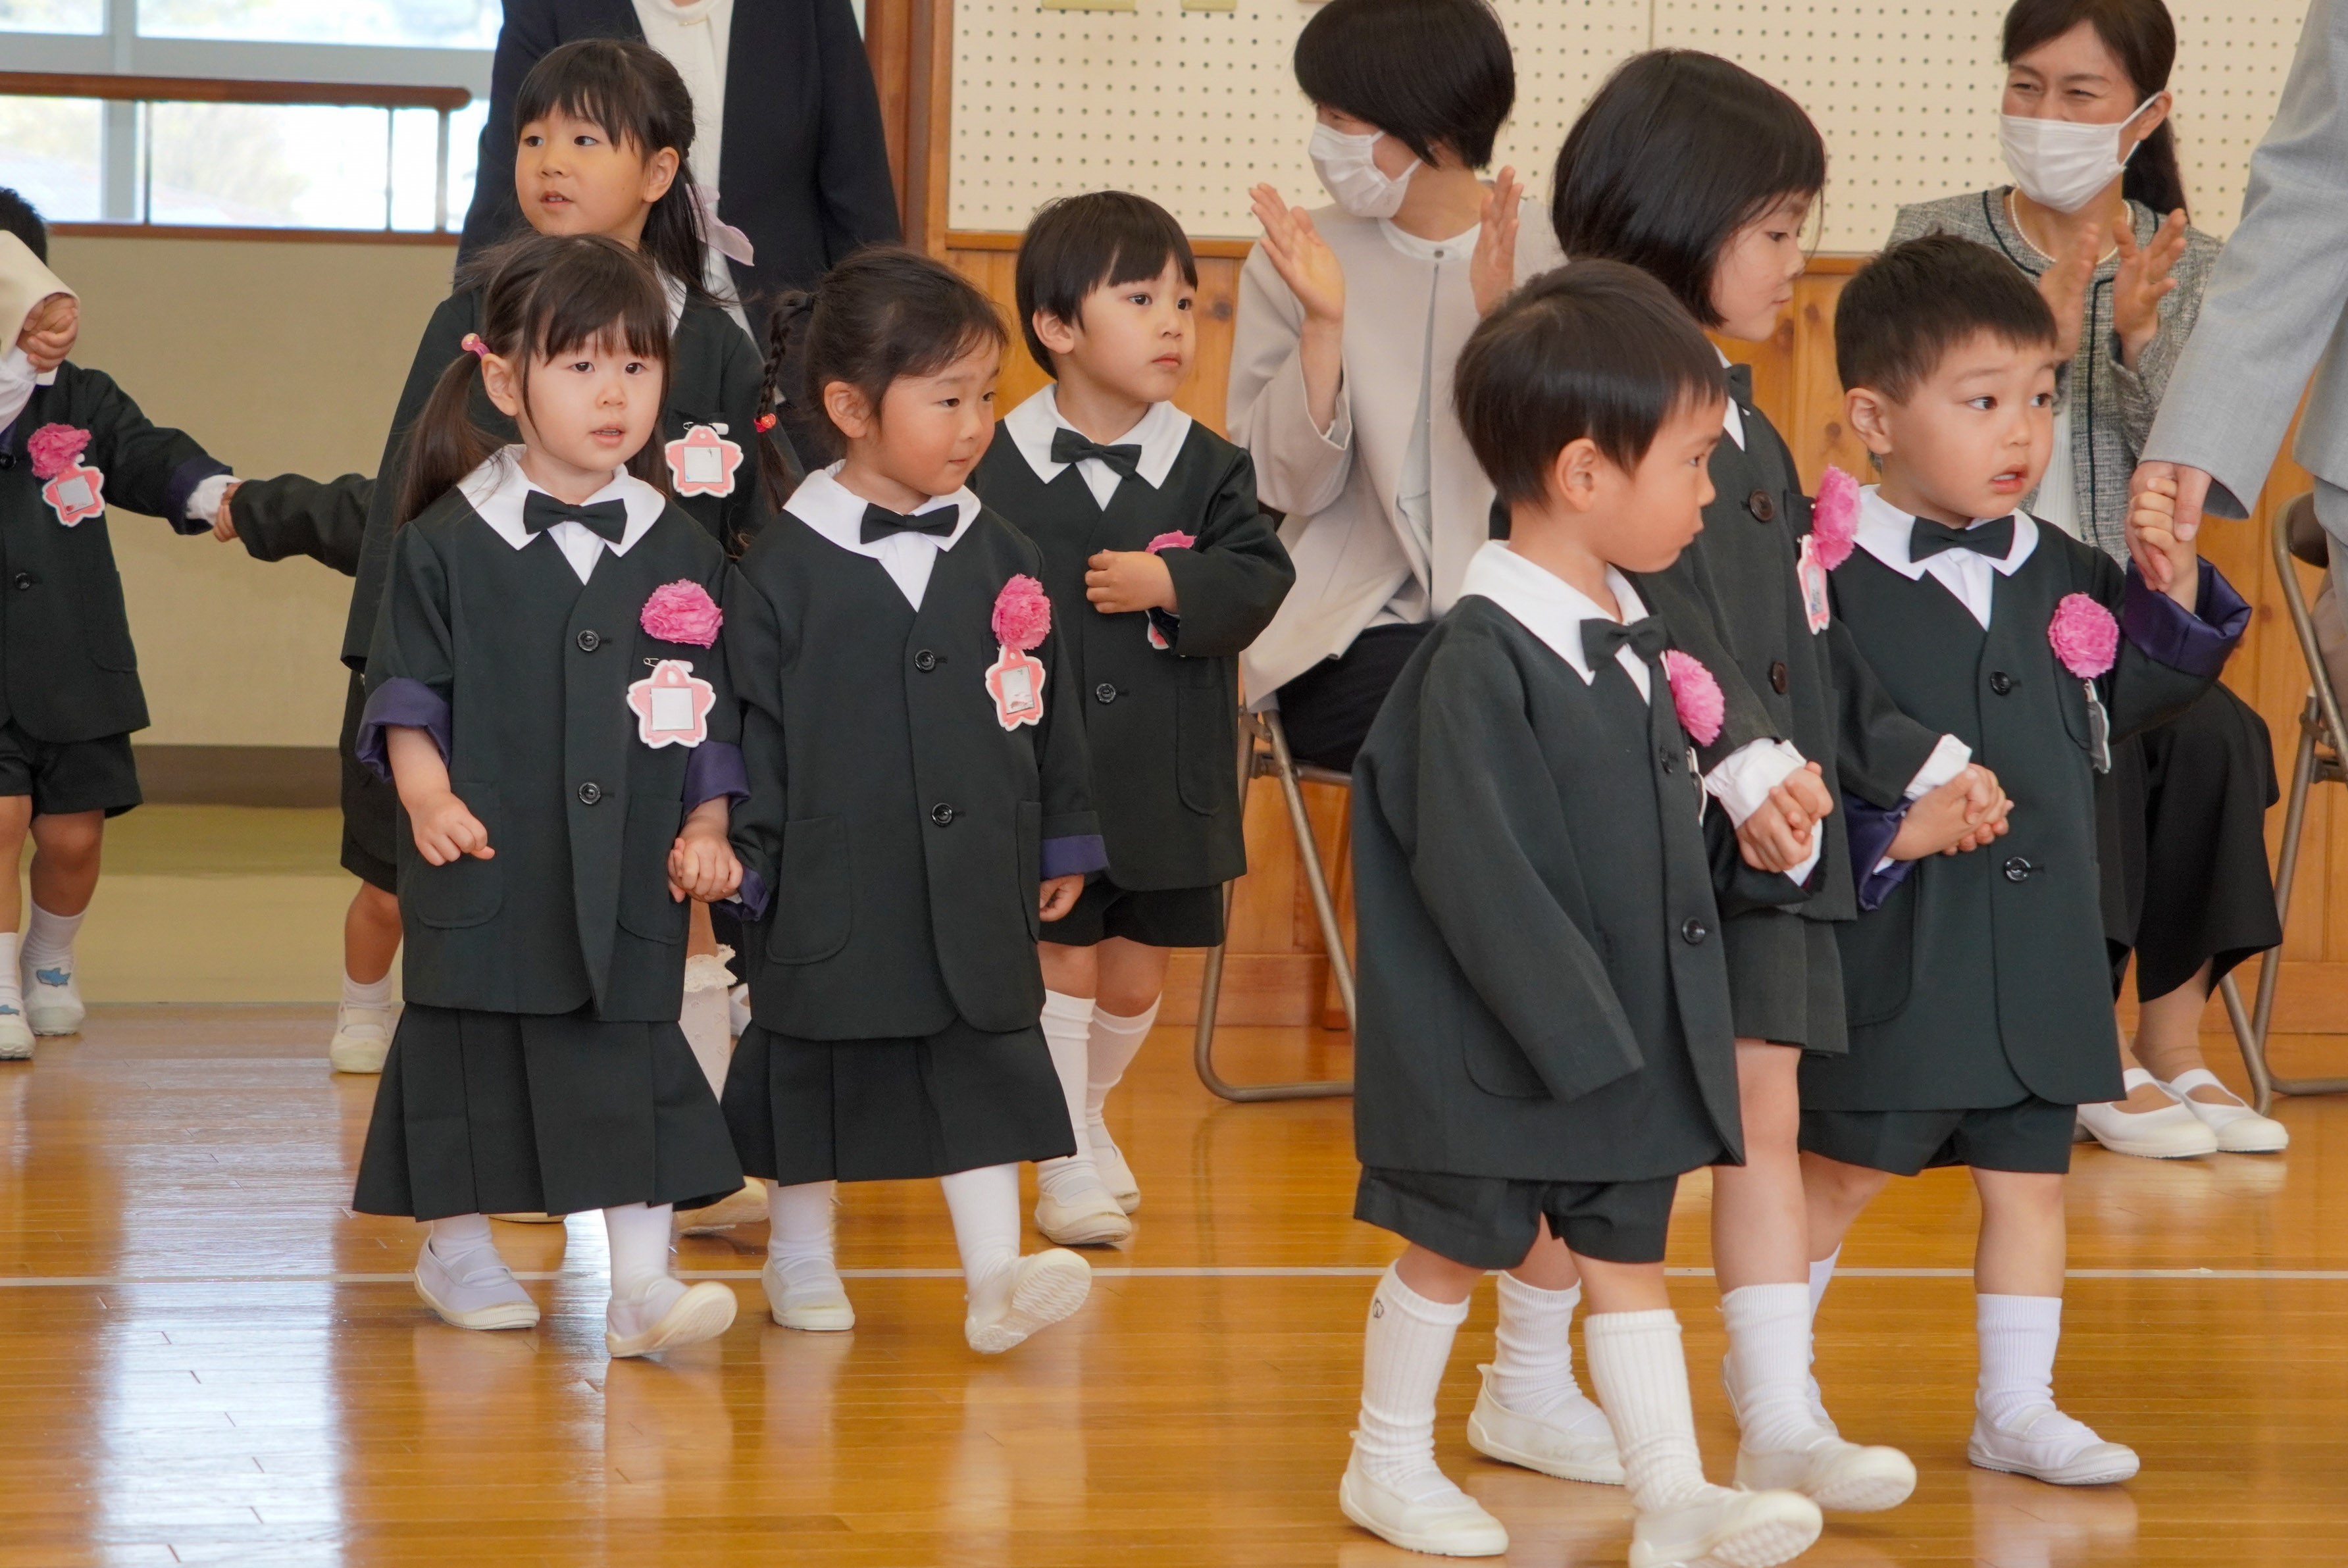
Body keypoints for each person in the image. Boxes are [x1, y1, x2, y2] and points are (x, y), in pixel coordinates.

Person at [1521, 50, 2009, 1512]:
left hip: (1771, 837)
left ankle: (1776, 1406)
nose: (1800, 260)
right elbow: (1626, 607)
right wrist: (1731, 751)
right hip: (1653, 827)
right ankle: (1525, 1381)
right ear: (1682, 215)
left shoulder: (1740, 420)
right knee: (1609, 1128)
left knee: (1765, 1118)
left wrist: (1910, 751)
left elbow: (1801, 637)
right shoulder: (1606, 396)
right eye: (1778, 228)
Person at [1340, 260, 1824, 1565]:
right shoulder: (1474, 661)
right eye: (1687, 462)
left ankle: (1671, 1493)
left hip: (1611, 1035)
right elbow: (1481, 876)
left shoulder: (1627, 626)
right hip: (1497, 1044)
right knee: (1447, 1250)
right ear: (1581, 474)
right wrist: (1583, 1037)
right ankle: (1383, 1461)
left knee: (1621, 1254)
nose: (1708, 493)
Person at [1803, 234, 2249, 1484]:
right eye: (1982, 400)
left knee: (2028, 1182)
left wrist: (2169, 591)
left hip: (2043, 947)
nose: (2023, 432)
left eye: (2041, 399)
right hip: (1902, 944)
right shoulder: (1818, 575)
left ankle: (2016, 1406)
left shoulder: (2062, 569)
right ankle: (1774, 1391)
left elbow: (2138, 691)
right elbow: (1823, 727)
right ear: (1873, 418)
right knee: (1836, 1173)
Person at [325, 40, 773, 1168]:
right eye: (532, 138)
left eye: (586, 138)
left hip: (647, 678)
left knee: (659, 914)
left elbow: (735, 519)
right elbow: (409, 502)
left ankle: (687, 1157)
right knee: (464, 908)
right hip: (495, 687)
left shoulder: (713, 332)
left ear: (661, 172)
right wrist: (385, 676)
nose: (551, 161)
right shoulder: (475, 316)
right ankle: (474, 1131)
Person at [1887, 0, 2286, 1159]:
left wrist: (2125, 356)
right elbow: (1899, 453)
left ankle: (2171, 1047)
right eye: (2026, 86)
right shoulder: (1936, 241)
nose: (2043, 116)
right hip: (1962, 609)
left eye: (2078, 95)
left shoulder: (2193, 265)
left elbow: (2192, 492)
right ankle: (2079, 1043)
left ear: (2145, 114)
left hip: (2107, 610)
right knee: (2080, 724)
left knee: (2215, 732)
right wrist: (2044, 351)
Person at [351, 232, 746, 1358]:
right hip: (482, 861)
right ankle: (456, 1245)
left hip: (625, 864)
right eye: (580, 366)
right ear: (503, 379)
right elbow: (407, 694)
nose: (614, 393)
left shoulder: (682, 546)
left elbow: (710, 704)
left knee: (630, 1056)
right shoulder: (441, 545)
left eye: (636, 366)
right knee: (467, 1061)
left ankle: (641, 1289)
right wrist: (424, 795)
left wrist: (709, 821)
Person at [721, 247, 1107, 1353]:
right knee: (812, 1075)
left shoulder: (1006, 553)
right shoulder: (778, 572)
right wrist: (752, 866)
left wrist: (1059, 831)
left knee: (980, 1063)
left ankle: (993, 1275)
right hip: (832, 884)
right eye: (946, 399)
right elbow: (756, 734)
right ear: (849, 407)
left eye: (986, 396)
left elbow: (1050, 712)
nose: (974, 422)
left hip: (970, 875)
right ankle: (798, 1254)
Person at [971, 191, 1294, 1244]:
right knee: (1061, 949)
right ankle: (1061, 1154)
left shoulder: (1209, 465)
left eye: (1188, 302)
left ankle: (1090, 1111)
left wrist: (1174, 584)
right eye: (1141, 296)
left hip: (1166, 769)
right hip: (1040, 770)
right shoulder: (990, 459)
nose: (1174, 321)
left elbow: (1259, 576)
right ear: (1059, 327)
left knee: (1139, 963)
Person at [1230, 0, 1562, 772]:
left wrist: (1501, 322)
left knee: (1536, 717)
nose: (1322, 139)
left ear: (1433, 128)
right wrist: (1321, 325)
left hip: (1525, 607)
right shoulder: (1298, 256)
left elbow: (1578, 470)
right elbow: (1281, 486)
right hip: (1349, 629)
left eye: (1340, 117)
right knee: (1466, 726)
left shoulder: (1555, 254)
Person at [0, 191, 238, 1060]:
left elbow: (147, 453)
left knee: (72, 834)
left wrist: (213, 492)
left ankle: (49, 964)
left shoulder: (83, 398)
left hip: (75, 661)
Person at [460, 0, 900, 316]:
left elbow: (860, 192)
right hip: (601, 342)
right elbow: (510, 174)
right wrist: (474, 326)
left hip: (787, 353)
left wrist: (876, 344)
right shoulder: (547, 9)